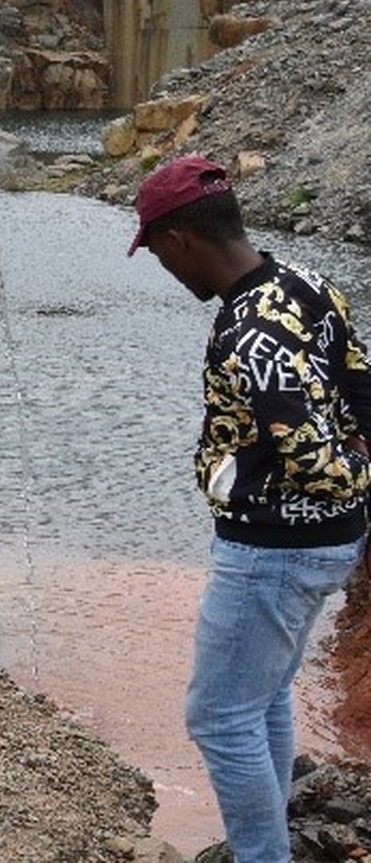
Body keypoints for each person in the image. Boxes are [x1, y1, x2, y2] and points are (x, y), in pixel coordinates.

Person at [132, 153, 371, 863]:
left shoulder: (251, 327)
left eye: (157, 253)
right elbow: (362, 392)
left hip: (273, 549)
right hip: (324, 545)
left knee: (218, 714)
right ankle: (272, 843)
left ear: (180, 241)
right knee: (262, 695)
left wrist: (353, 476)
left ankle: (262, 855)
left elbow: (311, 455)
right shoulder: (306, 283)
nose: (165, 271)